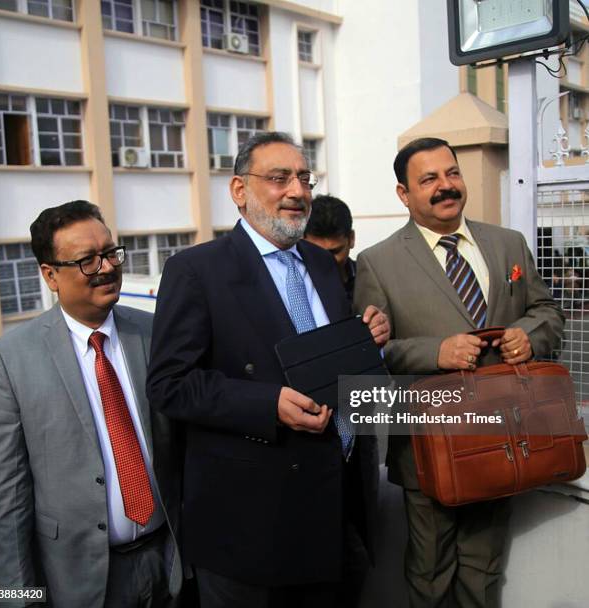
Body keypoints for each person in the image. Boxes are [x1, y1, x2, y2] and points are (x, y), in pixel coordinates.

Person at [147, 131, 389, 608]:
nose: (298, 191)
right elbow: (169, 385)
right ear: (240, 191)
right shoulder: (196, 271)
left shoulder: (322, 264)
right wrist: (268, 405)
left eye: (304, 178)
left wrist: (365, 339)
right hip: (252, 531)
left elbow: (324, 359)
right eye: (279, 179)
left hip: (336, 511)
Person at [354, 137, 564, 608]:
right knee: (430, 571)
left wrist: (529, 335)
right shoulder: (377, 262)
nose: (445, 186)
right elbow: (369, 358)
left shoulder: (507, 242)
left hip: (507, 435)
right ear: (404, 195)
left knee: (483, 567)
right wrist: (436, 352)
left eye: (452, 173)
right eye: (428, 179)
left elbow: (547, 310)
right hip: (431, 442)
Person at [0, 201, 183, 608]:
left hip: (171, 561)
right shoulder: (12, 357)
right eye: (88, 260)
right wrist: (17, 598)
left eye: (111, 253)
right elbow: (8, 494)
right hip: (75, 580)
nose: (107, 267)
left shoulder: (152, 331)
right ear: (50, 275)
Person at [304, 194, 356, 300]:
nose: (326, 259)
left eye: (335, 251)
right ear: (301, 242)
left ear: (351, 239)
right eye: (317, 252)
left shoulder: (371, 279)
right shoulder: (293, 285)